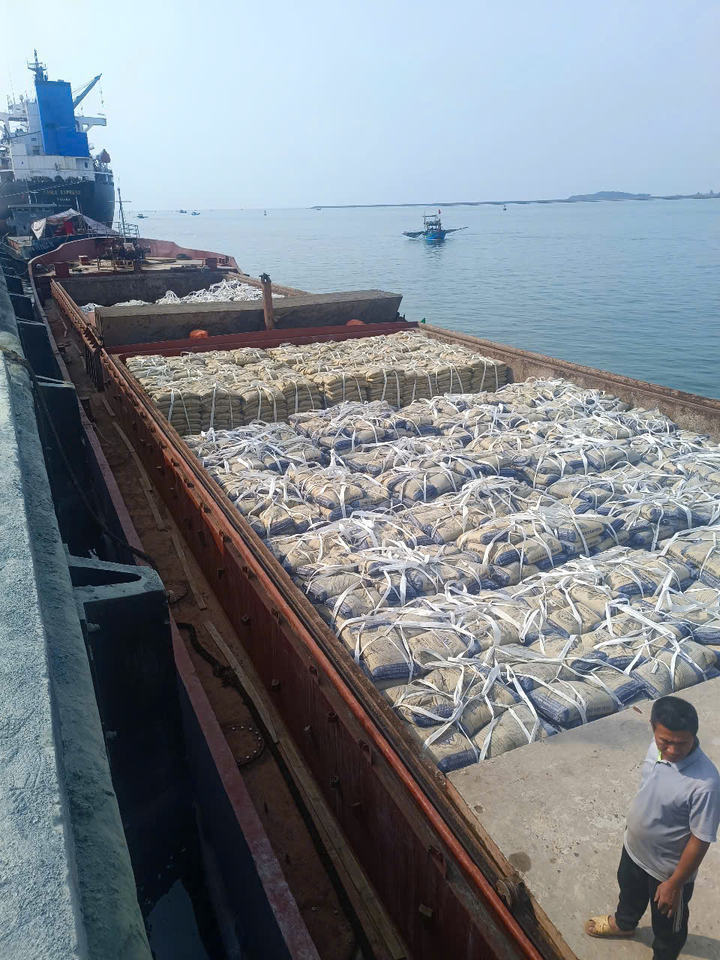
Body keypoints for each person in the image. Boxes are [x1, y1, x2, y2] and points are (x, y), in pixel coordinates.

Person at [585, 696, 720, 959]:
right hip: (634, 850)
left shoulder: (706, 784)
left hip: (667, 872)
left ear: (693, 736)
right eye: (665, 741)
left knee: (668, 928)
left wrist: (675, 884)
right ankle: (624, 924)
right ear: (653, 728)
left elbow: (700, 839)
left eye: (681, 743)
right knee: (629, 893)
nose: (672, 750)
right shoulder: (655, 748)